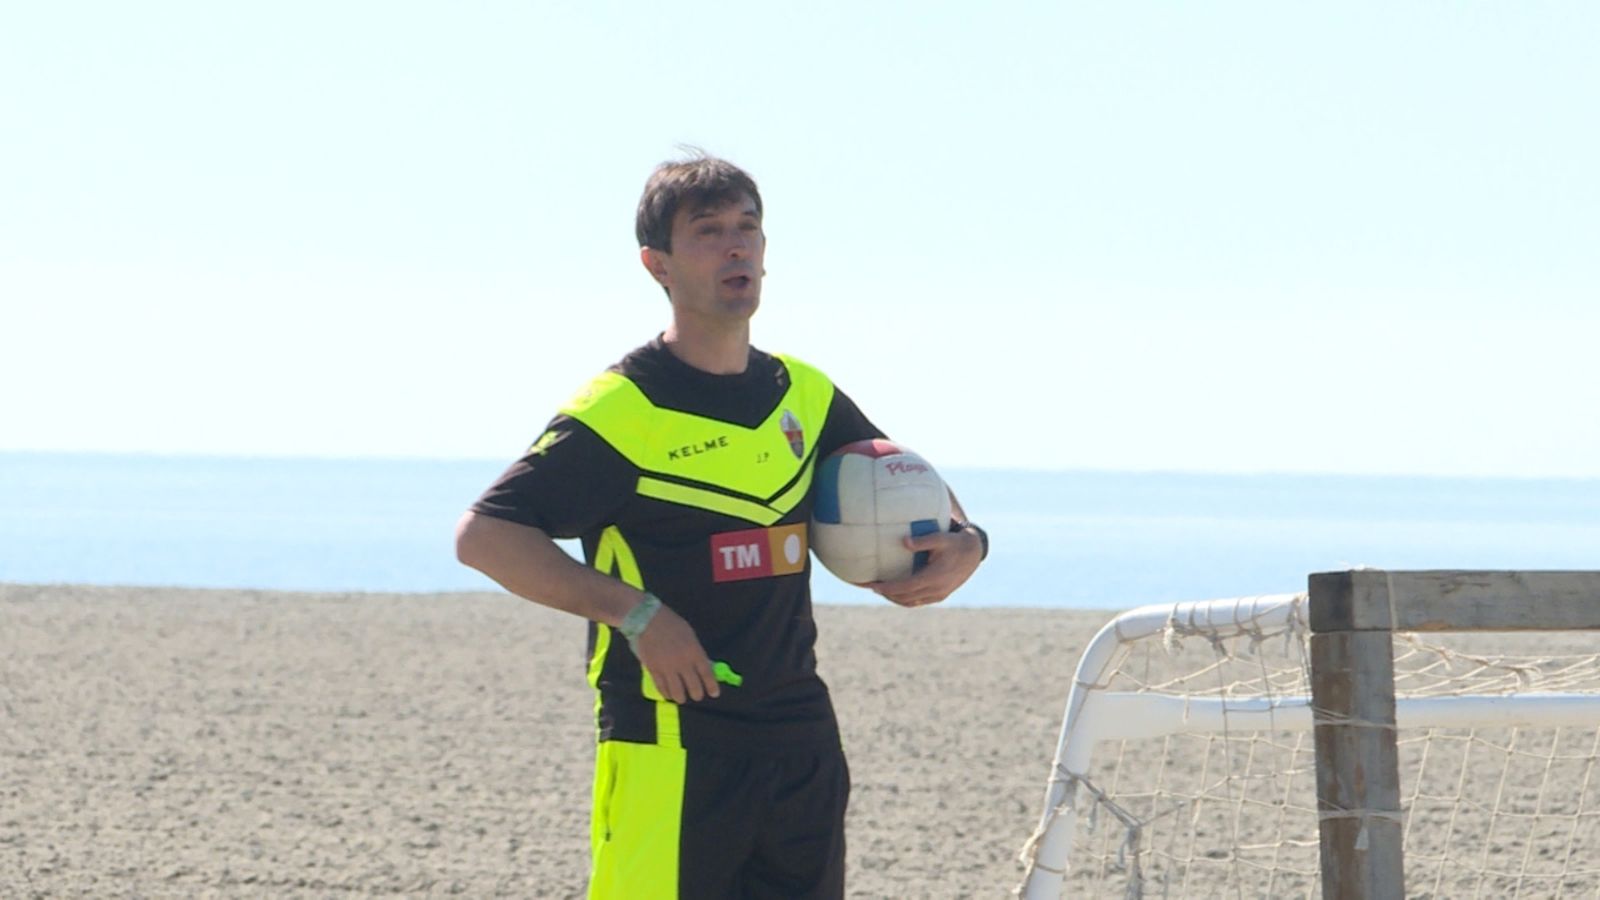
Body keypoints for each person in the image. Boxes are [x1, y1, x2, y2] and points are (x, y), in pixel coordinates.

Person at [454, 154, 987, 899]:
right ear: (658, 264)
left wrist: (968, 543)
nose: (736, 246)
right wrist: (638, 615)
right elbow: (485, 536)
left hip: (801, 740)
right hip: (672, 739)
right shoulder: (622, 409)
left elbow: (908, 479)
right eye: (708, 231)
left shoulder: (802, 393)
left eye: (748, 228)